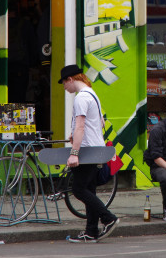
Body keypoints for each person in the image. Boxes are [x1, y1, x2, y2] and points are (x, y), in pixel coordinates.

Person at [59, 64, 119, 243]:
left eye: (64, 83)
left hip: (86, 152)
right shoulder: (92, 94)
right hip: (96, 149)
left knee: (78, 190)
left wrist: (74, 152)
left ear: (71, 79)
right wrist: (75, 135)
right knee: (89, 189)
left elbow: (81, 126)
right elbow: (99, 123)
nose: (64, 87)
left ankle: (108, 218)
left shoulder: (81, 98)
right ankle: (91, 231)